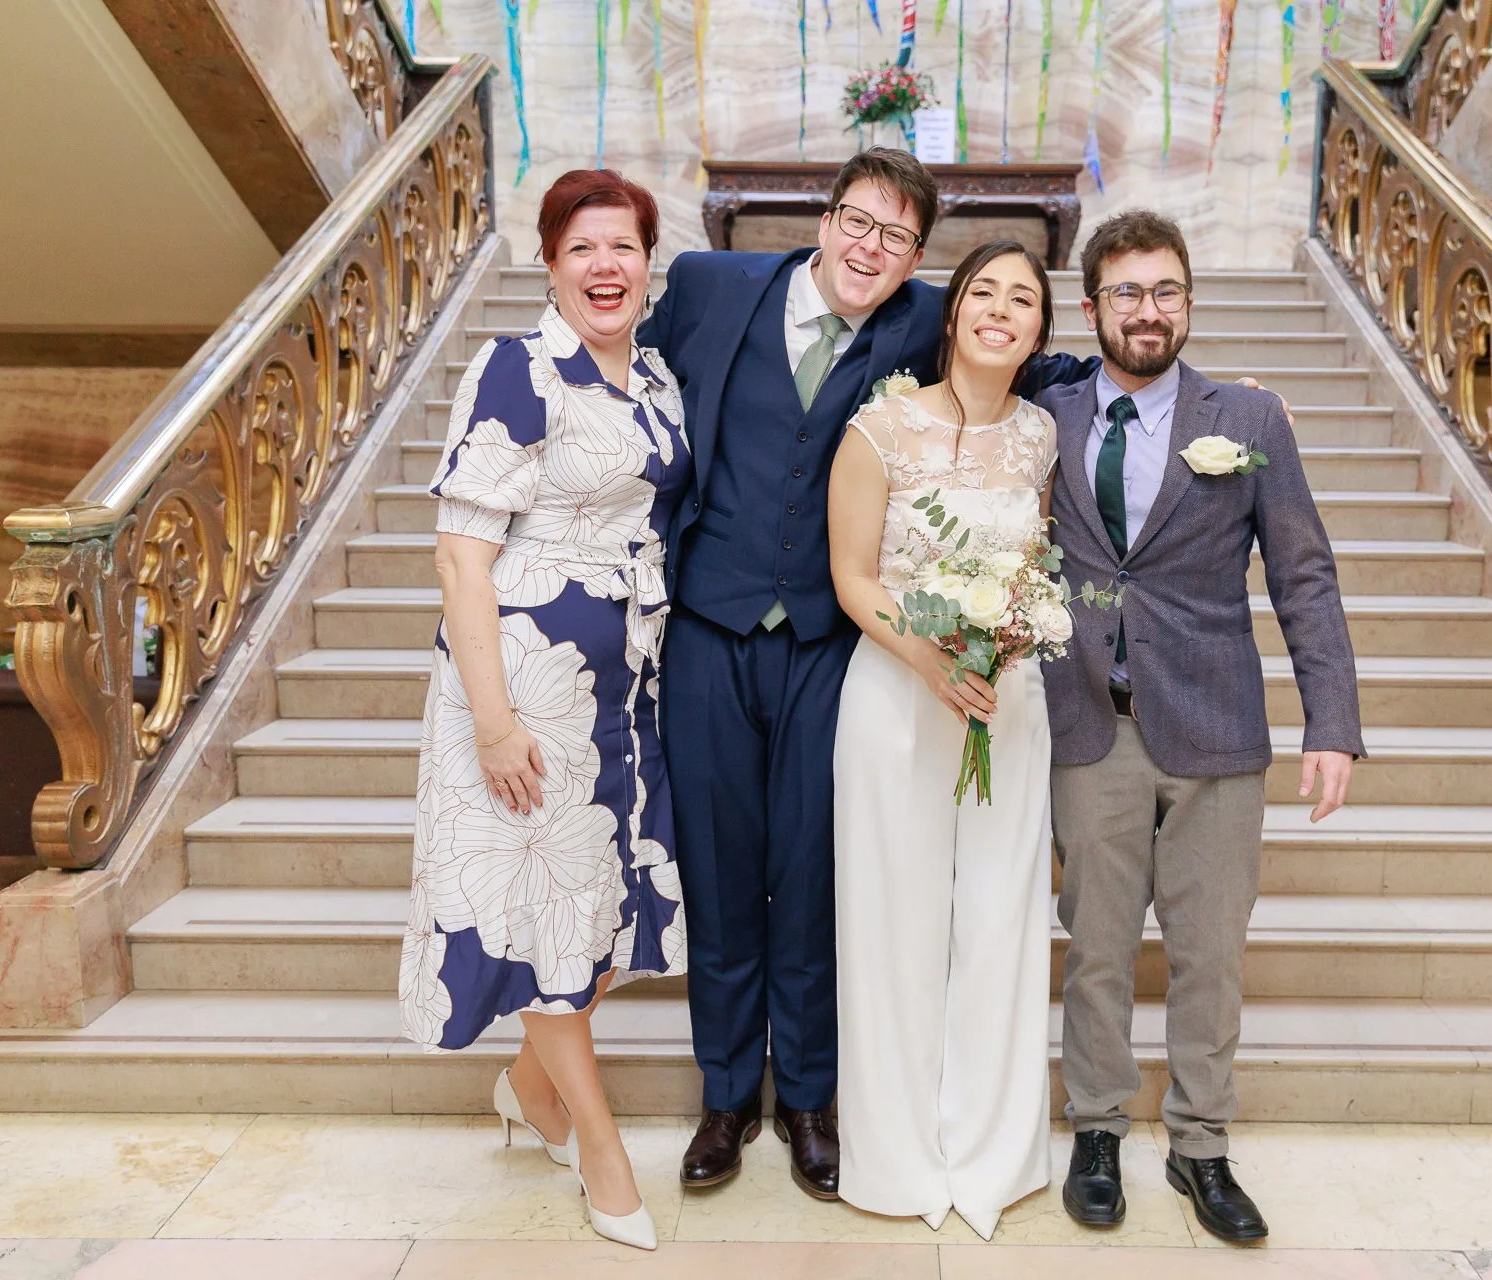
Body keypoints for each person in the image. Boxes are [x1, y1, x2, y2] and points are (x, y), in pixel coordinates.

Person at [640, 149, 1096, 1200]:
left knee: (808, 870)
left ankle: (807, 1093)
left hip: (823, 644)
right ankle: (724, 1092)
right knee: (719, 863)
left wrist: (1169, 385)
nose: (869, 249)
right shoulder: (713, 287)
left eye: (896, 237)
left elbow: (1037, 365)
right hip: (709, 625)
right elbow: (630, 369)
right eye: (857, 222)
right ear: (824, 215)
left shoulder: (920, 319)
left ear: (918, 258)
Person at [1042, 211, 1364, 1243]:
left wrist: (1332, 721)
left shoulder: (1251, 420)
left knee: (1210, 953)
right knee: (1094, 947)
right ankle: (1096, 1126)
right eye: (1127, 292)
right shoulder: (1043, 418)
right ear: (1091, 308)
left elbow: (1303, 573)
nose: (1149, 309)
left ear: (1189, 300)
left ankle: (1200, 1145)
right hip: (1091, 724)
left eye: (1167, 289)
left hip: (1217, 724)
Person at [398, 168, 690, 1252]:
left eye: (622, 247)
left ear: (647, 264)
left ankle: (529, 1083)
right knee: (550, 905)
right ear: (551, 264)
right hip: (527, 679)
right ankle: (598, 1148)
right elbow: (460, 555)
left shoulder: (654, 376)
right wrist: (491, 721)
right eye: (582, 249)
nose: (605, 267)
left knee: (601, 913)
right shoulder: (517, 370)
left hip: (626, 679)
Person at [828, 242, 1062, 1239]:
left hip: (1007, 700)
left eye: (1024, 299)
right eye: (983, 293)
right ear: (953, 310)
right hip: (894, 699)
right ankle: (897, 1149)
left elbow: (1034, 563)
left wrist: (1004, 638)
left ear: (1042, 330)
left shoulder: (1043, 436)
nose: (1000, 311)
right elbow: (852, 575)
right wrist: (926, 656)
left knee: (1003, 921)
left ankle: (993, 1147)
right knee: (894, 922)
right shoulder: (878, 426)